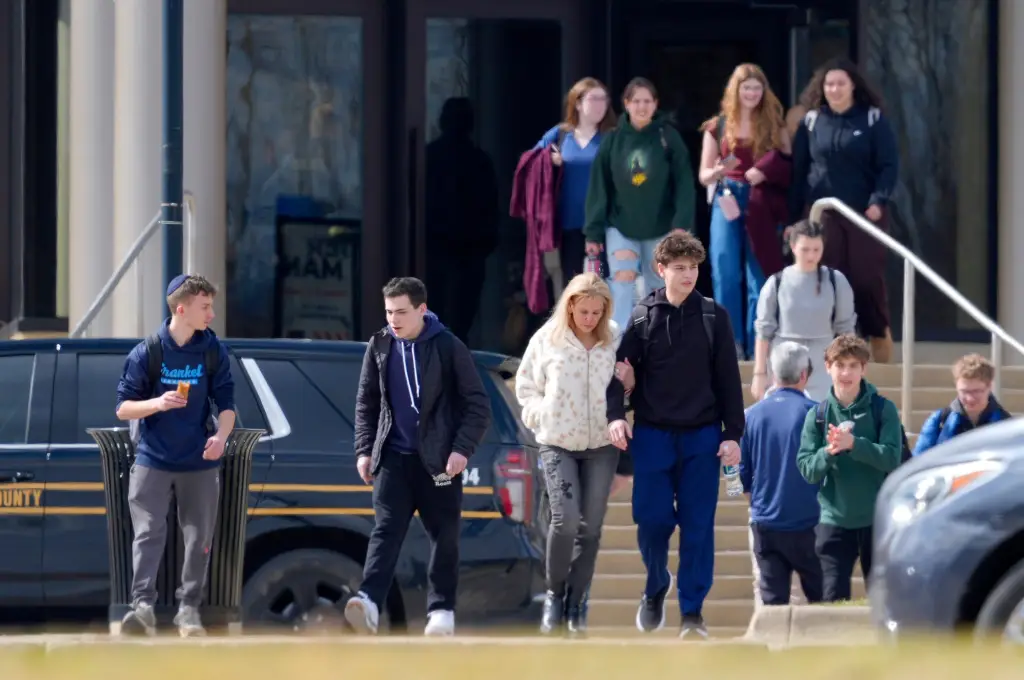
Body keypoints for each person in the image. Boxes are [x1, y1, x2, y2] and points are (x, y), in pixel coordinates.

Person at [606, 231, 744, 639]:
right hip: (652, 436)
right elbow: (617, 373)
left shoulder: (713, 316)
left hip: (702, 438)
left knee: (698, 526)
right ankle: (655, 583)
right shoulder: (641, 316)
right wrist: (616, 414)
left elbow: (729, 382)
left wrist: (733, 433)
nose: (688, 275)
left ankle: (692, 614)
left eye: (694, 267)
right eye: (679, 268)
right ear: (661, 269)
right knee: (650, 520)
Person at [345, 277, 492, 637]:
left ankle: (441, 611)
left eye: (402, 312)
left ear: (422, 310)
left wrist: (461, 449)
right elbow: (367, 404)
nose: (394, 320)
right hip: (393, 457)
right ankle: (368, 601)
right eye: (389, 312)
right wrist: (364, 450)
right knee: (386, 530)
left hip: (438, 461)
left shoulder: (447, 346)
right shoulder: (379, 346)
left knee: (445, 535)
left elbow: (477, 405)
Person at [114, 274, 236, 637]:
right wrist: (158, 403)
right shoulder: (148, 351)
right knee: (148, 533)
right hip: (153, 458)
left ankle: (189, 611)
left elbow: (227, 403)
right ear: (181, 309)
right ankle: (142, 607)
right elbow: (122, 408)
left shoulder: (212, 351)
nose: (211, 314)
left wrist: (222, 437)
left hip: (199, 459)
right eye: (205, 307)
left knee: (199, 538)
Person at [515, 272, 632, 636]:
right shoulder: (546, 339)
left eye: (597, 312)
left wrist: (630, 385)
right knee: (564, 520)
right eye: (584, 312)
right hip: (557, 442)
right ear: (570, 306)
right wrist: (540, 415)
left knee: (591, 528)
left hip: (601, 445)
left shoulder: (615, 337)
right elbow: (524, 386)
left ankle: (577, 603)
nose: (590, 319)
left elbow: (629, 387)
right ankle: (554, 594)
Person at [788, 58, 900, 364]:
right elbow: (799, 174)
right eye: (829, 84)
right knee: (828, 278)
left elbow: (888, 165)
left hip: (864, 213)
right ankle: (838, 347)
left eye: (840, 83)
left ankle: (877, 333)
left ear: (853, 86)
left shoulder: (872, 120)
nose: (834, 89)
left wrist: (878, 200)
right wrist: (793, 220)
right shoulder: (811, 122)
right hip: (822, 213)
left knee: (865, 277)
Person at [583, 77, 696, 332]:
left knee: (659, 283)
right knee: (622, 278)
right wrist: (593, 231)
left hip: (661, 225)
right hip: (621, 225)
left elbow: (684, 182)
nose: (642, 107)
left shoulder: (668, 137)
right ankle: (619, 341)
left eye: (647, 101)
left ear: (656, 104)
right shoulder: (612, 141)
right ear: (626, 104)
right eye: (636, 101)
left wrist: (681, 224)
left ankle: (659, 340)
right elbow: (600, 187)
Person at [796, 333, 902, 602]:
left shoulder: (883, 409)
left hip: (877, 520)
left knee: (883, 600)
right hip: (833, 521)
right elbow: (807, 468)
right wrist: (829, 452)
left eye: (854, 365)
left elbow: (892, 458)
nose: (846, 372)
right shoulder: (817, 415)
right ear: (828, 367)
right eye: (840, 365)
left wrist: (855, 444)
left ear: (864, 369)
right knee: (831, 602)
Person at [698, 63, 792, 360]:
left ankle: (758, 348)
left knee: (759, 276)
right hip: (727, 198)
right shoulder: (718, 126)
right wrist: (719, 170)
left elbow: (790, 167)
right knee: (725, 272)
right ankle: (731, 345)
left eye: (756, 87)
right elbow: (703, 175)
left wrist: (766, 172)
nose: (751, 93)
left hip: (761, 202)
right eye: (746, 87)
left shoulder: (775, 126)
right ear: (735, 91)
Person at [741, 342, 822, 606]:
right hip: (811, 523)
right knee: (821, 601)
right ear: (804, 375)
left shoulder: (750, 417)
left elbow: (737, 473)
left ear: (774, 375)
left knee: (772, 602)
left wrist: (751, 503)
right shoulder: (817, 414)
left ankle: (775, 647)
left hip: (766, 523)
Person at [752, 219, 857, 401]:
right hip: (783, 363)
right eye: (805, 250)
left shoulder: (835, 281)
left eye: (816, 250)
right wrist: (759, 373)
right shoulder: (776, 283)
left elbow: (846, 330)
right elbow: (763, 331)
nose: (811, 256)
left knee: (820, 421)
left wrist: (850, 370)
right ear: (793, 247)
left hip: (823, 364)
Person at [534, 78, 618, 283]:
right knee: (572, 286)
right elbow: (531, 162)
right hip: (569, 225)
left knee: (602, 286)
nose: (600, 105)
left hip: (604, 226)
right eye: (594, 99)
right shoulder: (561, 135)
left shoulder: (613, 136)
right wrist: (549, 160)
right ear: (578, 103)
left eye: (604, 99)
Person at [913, 353, 1011, 456]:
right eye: (964, 391)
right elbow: (918, 461)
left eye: (977, 391)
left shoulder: (1007, 424)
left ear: (990, 387)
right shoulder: (939, 421)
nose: (970, 399)